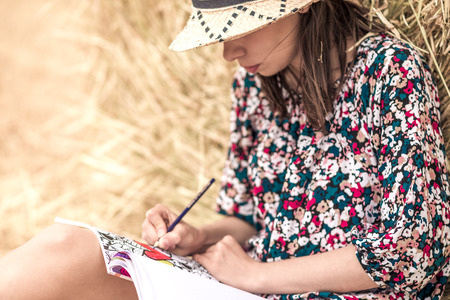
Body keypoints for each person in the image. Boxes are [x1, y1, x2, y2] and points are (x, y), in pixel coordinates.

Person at [0, 0, 449, 299]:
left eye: (242, 26)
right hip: (247, 287)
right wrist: (200, 236)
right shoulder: (256, 86)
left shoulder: (391, 72)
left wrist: (258, 276)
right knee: (68, 248)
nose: (227, 52)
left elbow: (412, 251)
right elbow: (250, 217)